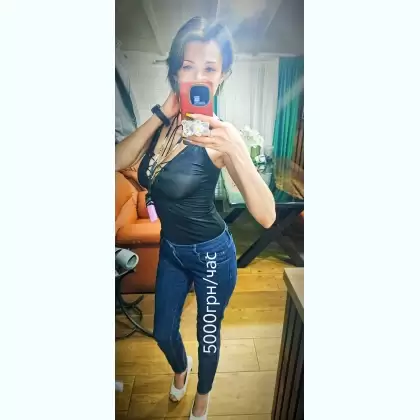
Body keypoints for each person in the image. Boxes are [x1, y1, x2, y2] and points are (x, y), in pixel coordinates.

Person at [115, 16, 276, 420]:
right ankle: (180, 367)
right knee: (163, 332)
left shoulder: (222, 139)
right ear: (175, 72)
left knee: (208, 336)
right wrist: (160, 113)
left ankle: (202, 397)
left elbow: (267, 216)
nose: (199, 77)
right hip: (171, 249)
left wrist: (236, 149)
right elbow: (116, 160)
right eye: (188, 66)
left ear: (222, 77)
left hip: (211, 256)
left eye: (210, 68)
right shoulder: (161, 126)